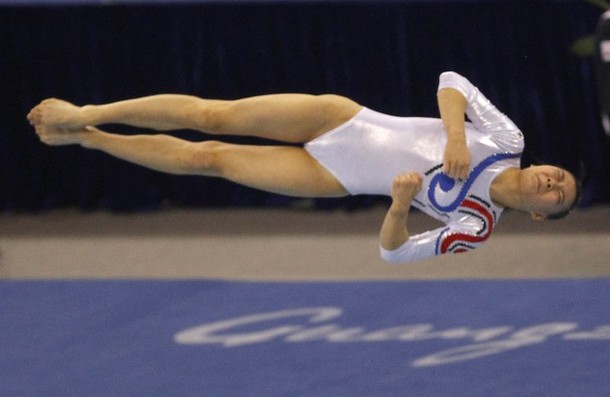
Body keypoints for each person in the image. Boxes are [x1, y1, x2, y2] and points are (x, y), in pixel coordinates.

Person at [27, 71, 580, 263]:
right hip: (343, 121)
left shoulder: (478, 227)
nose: (552, 182)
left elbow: (394, 253)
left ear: (537, 216)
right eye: (559, 175)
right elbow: (452, 82)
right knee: (215, 116)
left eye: (558, 196)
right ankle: (88, 113)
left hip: (335, 178)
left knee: (209, 159)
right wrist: (457, 136)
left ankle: (94, 141)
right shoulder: (507, 139)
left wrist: (397, 204)